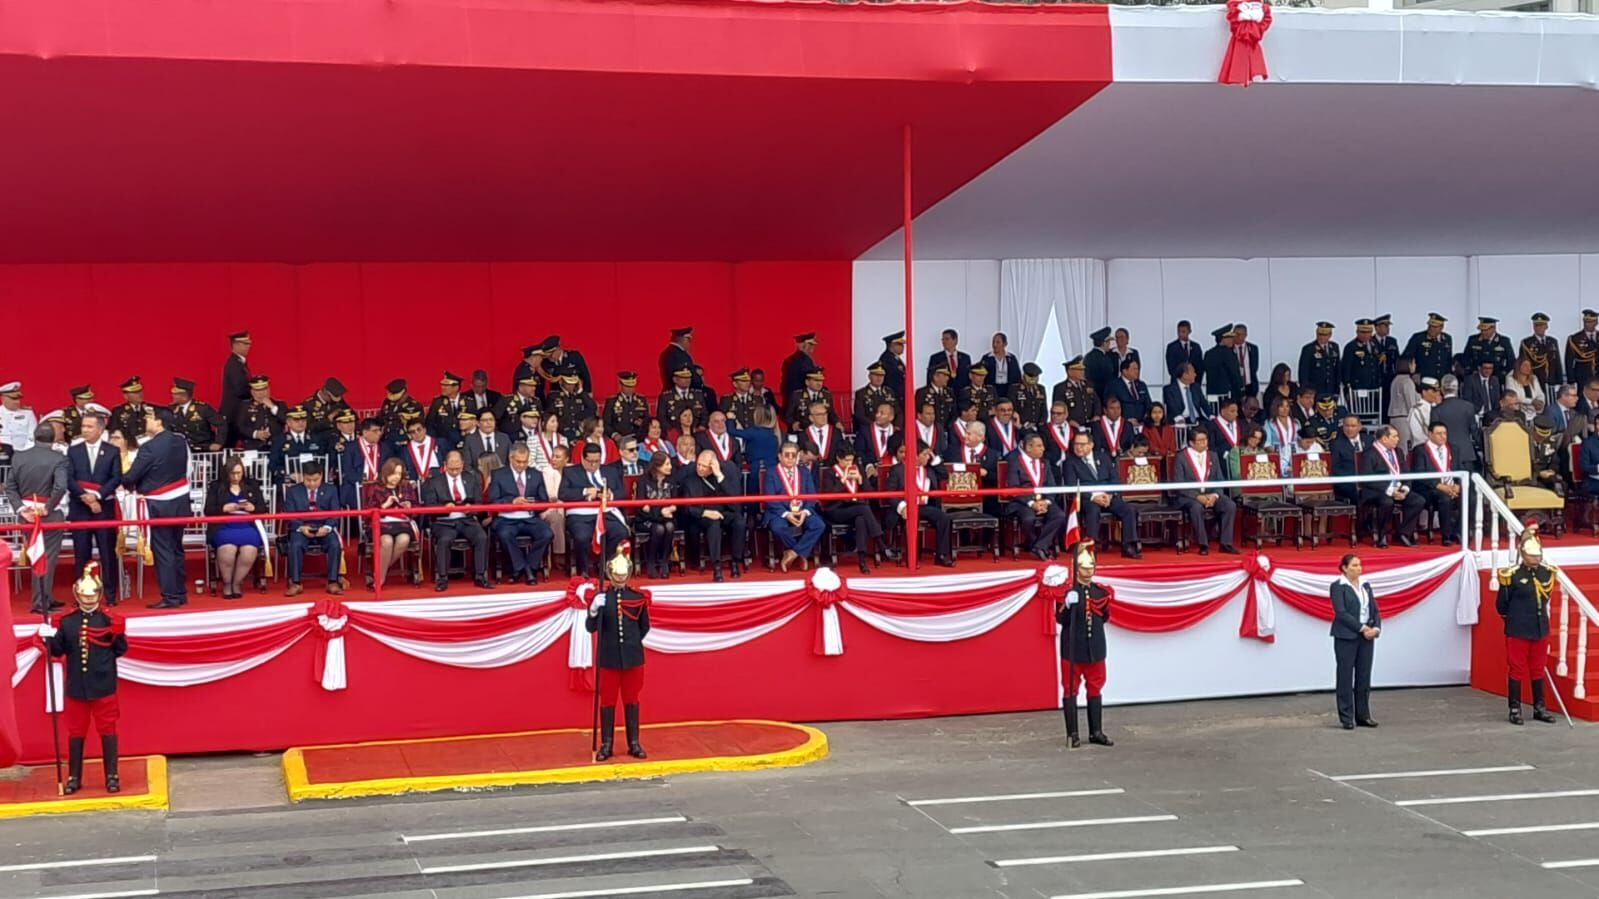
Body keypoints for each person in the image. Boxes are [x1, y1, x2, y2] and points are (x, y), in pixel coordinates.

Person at [39, 563, 127, 794]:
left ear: (99, 594)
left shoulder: (108, 620)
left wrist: (118, 633)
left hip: (103, 684)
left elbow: (120, 649)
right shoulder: (68, 621)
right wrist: (48, 638)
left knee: (107, 730)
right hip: (77, 685)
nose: (88, 600)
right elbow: (58, 651)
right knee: (76, 733)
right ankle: (74, 777)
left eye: (93, 595)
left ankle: (112, 775)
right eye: (84, 595)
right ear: (77, 595)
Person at [586, 546, 651, 761]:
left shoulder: (637, 597)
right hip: (609, 658)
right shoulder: (603, 598)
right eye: (617, 575)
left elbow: (644, 627)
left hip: (632, 658)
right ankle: (606, 744)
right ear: (610, 575)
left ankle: (634, 743)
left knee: (632, 700)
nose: (620, 579)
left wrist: (630, 645)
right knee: (608, 701)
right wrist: (593, 610)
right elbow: (590, 627)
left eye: (623, 575)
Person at [122, 408, 191, 608]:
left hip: (161, 504)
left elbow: (132, 475)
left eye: (149, 418)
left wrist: (121, 479)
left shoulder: (150, 447)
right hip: (180, 502)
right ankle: (180, 592)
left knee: (164, 550)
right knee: (177, 548)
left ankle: (170, 596)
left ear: (159, 422)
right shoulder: (180, 441)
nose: (146, 421)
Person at [1496, 527, 1559, 725]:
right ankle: (1514, 708)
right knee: (1517, 669)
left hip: (1539, 627)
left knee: (1538, 668)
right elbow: (1501, 605)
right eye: (1531, 555)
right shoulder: (1512, 575)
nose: (1536, 559)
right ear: (1523, 555)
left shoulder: (1545, 573)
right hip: (1518, 628)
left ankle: (1539, 707)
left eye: (1537, 555)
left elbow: (1546, 597)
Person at [6, 423, 70, 613]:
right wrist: (48, 507)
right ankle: (40, 602)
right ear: (53, 439)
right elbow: (60, 487)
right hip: (49, 515)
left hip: (26, 514)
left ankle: (45, 597)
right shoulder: (58, 458)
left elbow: (10, 487)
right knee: (46, 559)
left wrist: (20, 509)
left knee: (38, 558)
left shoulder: (19, 457)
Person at [1056, 541, 1113, 749]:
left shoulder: (1100, 593)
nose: (1088, 572)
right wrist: (1067, 605)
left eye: (1091, 568)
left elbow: (1104, 617)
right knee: (1071, 690)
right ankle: (1073, 733)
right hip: (1073, 649)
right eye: (1084, 568)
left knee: (1095, 688)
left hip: (1095, 649)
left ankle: (1095, 731)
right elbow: (1060, 619)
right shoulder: (1067, 593)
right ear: (1076, 569)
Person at [67, 413, 122, 607]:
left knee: (107, 552)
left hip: (103, 509)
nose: (85, 430)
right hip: (80, 508)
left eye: (90, 427)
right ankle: (82, 592)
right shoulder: (73, 451)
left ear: (100, 430)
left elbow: (116, 478)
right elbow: (69, 479)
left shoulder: (112, 451)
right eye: (83, 426)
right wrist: (87, 498)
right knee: (81, 552)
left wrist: (97, 496)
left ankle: (110, 594)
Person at [420, 449, 491, 591]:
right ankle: (442, 578)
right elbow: (429, 504)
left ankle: (480, 575)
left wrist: (471, 507)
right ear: (445, 465)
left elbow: (478, 502)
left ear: (463, 464)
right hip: (444, 521)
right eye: (451, 468)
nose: (454, 471)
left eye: (457, 468)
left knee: (481, 536)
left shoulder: (471, 478)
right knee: (445, 540)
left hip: (467, 519)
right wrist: (444, 507)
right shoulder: (434, 481)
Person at [1063, 431, 1139, 558]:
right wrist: (1093, 497)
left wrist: (1109, 494)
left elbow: (1115, 479)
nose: (1078, 447)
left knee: (1129, 510)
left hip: (1107, 496)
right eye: (1076, 444)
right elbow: (1072, 486)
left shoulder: (1103, 457)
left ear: (1091, 445)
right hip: (1087, 498)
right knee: (1092, 509)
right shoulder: (1070, 462)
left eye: (1082, 444)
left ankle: (1128, 546)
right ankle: (1092, 546)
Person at [560, 442, 630, 577]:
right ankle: (584, 569)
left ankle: (604, 564)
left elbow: (622, 492)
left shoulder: (611, 471)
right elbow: (562, 494)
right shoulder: (570, 471)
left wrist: (611, 495)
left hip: (606, 512)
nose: (593, 465)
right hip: (580, 514)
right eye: (590, 461)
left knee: (620, 532)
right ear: (582, 459)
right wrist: (584, 492)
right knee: (582, 536)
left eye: (596, 461)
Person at [488, 444, 555, 585]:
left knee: (547, 533)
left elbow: (544, 500)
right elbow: (493, 500)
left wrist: (533, 504)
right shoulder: (498, 474)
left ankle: (527, 567)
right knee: (505, 535)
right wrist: (512, 502)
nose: (522, 465)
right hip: (507, 519)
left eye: (525, 461)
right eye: (518, 461)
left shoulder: (536, 474)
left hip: (530, 517)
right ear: (510, 458)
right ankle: (526, 569)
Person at [205, 455, 268, 600]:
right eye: (232, 473)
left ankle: (236, 583)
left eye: (239, 473)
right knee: (228, 550)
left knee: (249, 551)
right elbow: (208, 510)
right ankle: (227, 584)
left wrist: (253, 507)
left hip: (247, 526)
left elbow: (262, 508)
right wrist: (223, 508)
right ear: (226, 473)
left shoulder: (251, 485)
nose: (236, 476)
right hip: (224, 526)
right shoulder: (216, 486)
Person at [1330, 553, 1381, 731]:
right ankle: (1346, 716)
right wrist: (1361, 628)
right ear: (1344, 568)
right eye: (1354, 566)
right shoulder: (1338, 587)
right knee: (1345, 676)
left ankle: (1363, 715)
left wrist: (1375, 628)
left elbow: (1374, 609)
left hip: (1366, 636)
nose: (1358, 569)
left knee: (1363, 676)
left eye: (1359, 565)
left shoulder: (1366, 585)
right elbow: (1341, 613)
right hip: (1346, 636)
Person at [882, 444, 954, 566]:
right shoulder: (898, 469)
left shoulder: (929, 469)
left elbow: (944, 475)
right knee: (911, 518)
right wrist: (903, 506)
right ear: (915, 455)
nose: (928, 457)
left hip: (923, 506)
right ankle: (911, 557)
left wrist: (934, 458)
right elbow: (890, 492)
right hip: (905, 506)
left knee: (943, 518)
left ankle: (941, 555)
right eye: (925, 454)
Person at [1171, 428, 1238, 556]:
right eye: (1200, 440)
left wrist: (1214, 495)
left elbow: (1220, 480)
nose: (1204, 443)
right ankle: (1203, 544)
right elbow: (1179, 483)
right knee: (1196, 508)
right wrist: (1197, 496)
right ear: (1191, 443)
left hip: (1211, 494)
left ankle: (1226, 543)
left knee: (1230, 505)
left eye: (1205, 440)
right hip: (1189, 496)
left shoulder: (1213, 455)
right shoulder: (1181, 457)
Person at [682, 450, 747, 581]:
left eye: (704, 466)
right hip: (703, 515)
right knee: (714, 524)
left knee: (739, 521)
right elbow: (687, 508)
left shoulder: (724, 476)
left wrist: (719, 476)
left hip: (724, 512)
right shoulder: (690, 480)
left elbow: (735, 502)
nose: (700, 468)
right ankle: (717, 566)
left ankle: (735, 561)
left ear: (713, 466)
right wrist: (705, 513)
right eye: (698, 464)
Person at [820, 447, 885, 574]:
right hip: (837, 510)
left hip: (856, 509)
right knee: (863, 509)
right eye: (846, 460)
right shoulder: (830, 472)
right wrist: (843, 480)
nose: (849, 464)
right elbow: (829, 496)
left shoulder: (857, 469)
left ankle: (862, 560)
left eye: (851, 460)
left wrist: (860, 480)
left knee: (861, 519)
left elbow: (870, 493)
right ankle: (880, 541)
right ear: (838, 458)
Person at [283, 462, 343, 596]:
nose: (311, 484)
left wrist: (327, 527)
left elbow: (335, 513)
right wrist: (300, 527)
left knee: (334, 544)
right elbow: (289, 514)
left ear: (321, 476)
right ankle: (296, 583)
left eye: (315, 480)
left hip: (323, 526)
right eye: (308, 480)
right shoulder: (293, 491)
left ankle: (333, 581)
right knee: (295, 545)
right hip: (302, 527)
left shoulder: (331, 490)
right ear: (302, 477)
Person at [1359, 425, 1425, 548]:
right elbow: (1367, 479)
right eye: (1394, 436)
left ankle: (1403, 533)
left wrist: (1405, 489)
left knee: (1418, 500)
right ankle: (1382, 535)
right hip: (1376, 490)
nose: (1398, 439)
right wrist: (1390, 490)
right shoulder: (1369, 454)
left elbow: (1406, 473)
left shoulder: (1398, 452)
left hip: (1398, 488)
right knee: (1387, 502)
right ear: (1384, 439)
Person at [764, 441, 823, 571]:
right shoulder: (771, 473)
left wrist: (805, 511)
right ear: (780, 456)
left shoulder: (804, 472)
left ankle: (793, 553)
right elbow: (770, 499)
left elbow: (812, 495)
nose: (790, 458)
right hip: (780, 512)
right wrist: (787, 514)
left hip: (802, 510)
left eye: (793, 455)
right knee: (778, 528)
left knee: (819, 525)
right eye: (787, 455)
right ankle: (802, 554)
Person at [363, 458, 419, 589]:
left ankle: (378, 571)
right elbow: (367, 513)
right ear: (386, 473)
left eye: (399, 474)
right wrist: (384, 505)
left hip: (402, 523)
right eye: (394, 473)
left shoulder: (406, 487)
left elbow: (416, 509)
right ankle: (380, 579)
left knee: (404, 540)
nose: (396, 477)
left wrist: (409, 507)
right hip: (382, 523)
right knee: (387, 542)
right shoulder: (375, 488)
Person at [1409, 422, 1462, 545]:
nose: (1443, 436)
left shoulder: (1453, 449)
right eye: (1439, 434)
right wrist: (1441, 487)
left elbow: (1460, 469)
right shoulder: (1420, 450)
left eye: (1444, 433)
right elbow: (1419, 474)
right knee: (1445, 498)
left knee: (1470, 496)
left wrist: (1458, 485)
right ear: (1430, 434)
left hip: (1451, 486)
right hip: (1429, 488)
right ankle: (1446, 536)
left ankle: (1458, 532)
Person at [633, 454, 678, 579]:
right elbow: (642, 506)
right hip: (646, 519)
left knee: (669, 526)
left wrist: (668, 509)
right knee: (659, 528)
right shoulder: (643, 481)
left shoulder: (672, 480)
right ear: (657, 466)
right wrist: (660, 511)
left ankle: (664, 561)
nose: (670, 467)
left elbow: (675, 503)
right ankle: (651, 562)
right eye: (667, 464)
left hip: (666, 517)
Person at [270, 405, 326, 485]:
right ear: (288, 422)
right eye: (296, 420)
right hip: (288, 481)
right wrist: (289, 475)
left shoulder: (316, 439)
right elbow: (273, 464)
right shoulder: (279, 440)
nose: (301, 423)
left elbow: (323, 461)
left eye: (303, 420)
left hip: (314, 481)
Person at [168, 377, 225, 451]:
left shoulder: (202, 408)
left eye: (176, 394)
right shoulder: (171, 409)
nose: (173, 396)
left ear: (184, 395)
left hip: (203, 449)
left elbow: (221, 424)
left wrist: (218, 442)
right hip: (182, 450)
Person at [220, 330, 253, 448]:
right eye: (246, 344)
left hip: (237, 413)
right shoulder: (234, 364)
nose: (249, 347)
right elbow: (240, 389)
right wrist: (254, 394)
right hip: (234, 414)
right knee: (228, 447)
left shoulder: (239, 363)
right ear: (236, 344)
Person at [236, 375, 286, 451]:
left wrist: (273, 407)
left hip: (276, 448)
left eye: (264, 390)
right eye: (258, 390)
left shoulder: (280, 405)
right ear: (252, 392)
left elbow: (287, 420)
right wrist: (255, 434)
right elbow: (239, 427)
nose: (261, 393)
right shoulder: (245, 406)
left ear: (269, 390)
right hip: (253, 447)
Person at [1404, 313, 1454, 382]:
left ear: (1442, 327)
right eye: (1430, 326)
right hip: (1423, 379)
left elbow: (1448, 360)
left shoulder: (1447, 339)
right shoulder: (1418, 338)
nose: (1431, 329)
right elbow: (1406, 357)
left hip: (1441, 380)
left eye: (1435, 327)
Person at [602, 370, 650, 442]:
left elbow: (647, 420)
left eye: (632, 386)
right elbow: (605, 423)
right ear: (621, 385)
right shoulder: (612, 401)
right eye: (627, 387)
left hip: (638, 438)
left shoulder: (641, 400)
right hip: (620, 439)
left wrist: (642, 423)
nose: (630, 389)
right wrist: (614, 434)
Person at [1341, 319, 1385, 396]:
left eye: (1368, 332)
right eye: (1363, 332)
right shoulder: (1351, 347)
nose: (1365, 335)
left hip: (1374, 387)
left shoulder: (1375, 345)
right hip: (1358, 388)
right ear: (1357, 332)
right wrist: (1347, 387)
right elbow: (1346, 369)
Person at [658, 366, 709, 431]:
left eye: (688, 377)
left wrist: (701, 427)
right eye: (683, 377)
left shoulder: (698, 395)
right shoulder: (666, 397)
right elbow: (662, 418)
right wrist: (672, 433)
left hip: (696, 433)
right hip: (673, 436)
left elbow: (704, 414)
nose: (687, 380)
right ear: (675, 379)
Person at [798, 400, 845, 470]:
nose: (824, 417)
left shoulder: (836, 433)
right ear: (811, 418)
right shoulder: (803, 435)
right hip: (812, 473)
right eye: (819, 414)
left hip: (832, 473)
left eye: (825, 413)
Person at [1299, 322, 1341, 400]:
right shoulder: (1309, 349)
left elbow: (1337, 369)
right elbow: (1303, 372)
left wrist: (1337, 389)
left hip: (1330, 389)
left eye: (1325, 335)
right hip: (1315, 390)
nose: (1322, 337)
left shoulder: (1334, 347)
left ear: (1330, 335)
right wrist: (1306, 391)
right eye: (1320, 334)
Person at [1052, 356, 1100, 425]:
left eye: (1082, 370)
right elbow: (1058, 408)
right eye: (1079, 370)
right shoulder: (1061, 388)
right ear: (1069, 371)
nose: (1082, 372)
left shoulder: (1088, 385)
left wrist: (1096, 415)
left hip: (1091, 423)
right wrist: (1069, 420)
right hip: (1072, 425)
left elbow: (1096, 401)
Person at [1203, 324, 1244, 403]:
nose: (1233, 340)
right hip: (1227, 394)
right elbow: (1234, 373)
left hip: (1212, 393)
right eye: (1231, 338)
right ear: (1224, 339)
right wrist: (1241, 391)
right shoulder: (1229, 354)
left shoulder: (1208, 354)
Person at [1105, 358, 1152, 425]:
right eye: (1134, 369)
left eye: (1137, 369)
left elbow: (1149, 405)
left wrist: (1146, 419)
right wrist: (1125, 420)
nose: (1137, 371)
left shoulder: (1142, 385)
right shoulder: (1113, 386)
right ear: (1124, 371)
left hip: (1142, 424)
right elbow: (1111, 407)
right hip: (1123, 424)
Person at [1165, 320, 1206, 394]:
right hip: (1177, 385)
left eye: (1183, 332)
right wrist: (1183, 379)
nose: (1180, 334)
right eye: (1179, 332)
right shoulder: (1171, 347)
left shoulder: (1196, 347)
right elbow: (1171, 368)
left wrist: (1197, 383)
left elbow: (1200, 367)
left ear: (1189, 331)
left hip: (1194, 384)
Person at [927, 328, 973, 394]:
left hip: (962, 395)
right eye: (942, 339)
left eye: (947, 339)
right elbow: (930, 378)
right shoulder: (935, 358)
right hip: (943, 395)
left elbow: (969, 378)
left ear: (955, 341)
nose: (944, 342)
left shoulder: (965, 358)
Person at [1520, 312, 1560, 386]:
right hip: (1534, 380)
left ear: (1546, 326)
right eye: (1536, 325)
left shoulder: (1553, 341)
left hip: (1551, 380)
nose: (1539, 328)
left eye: (1541, 325)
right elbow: (1522, 363)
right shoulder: (1526, 343)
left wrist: (1559, 382)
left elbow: (1557, 363)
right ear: (1533, 327)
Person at [780, 332, 820, 404]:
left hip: (790, 401)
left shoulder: (788, 360)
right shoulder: (805, 360)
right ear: (802, 345)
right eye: (810, 344)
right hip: (802, 401)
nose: (812, 347)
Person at [1010, 362, 1049, 432]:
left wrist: (1041, 424)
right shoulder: (1014, 389)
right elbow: (1013, 409)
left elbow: (1044, 410)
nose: (1033, 379)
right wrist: (1021, 425)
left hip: (1038, 428)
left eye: (1035, 376)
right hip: (1021, 427)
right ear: (1024, 375)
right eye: (1031, 376)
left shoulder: (1041, 389)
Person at [109, 376, 151, 441]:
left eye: (140, 391)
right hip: (128, 447)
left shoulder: (150, 409)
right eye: (135, 393)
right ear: (126, 396)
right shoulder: (118, 411)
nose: (139, 394)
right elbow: (113, 432)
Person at [916, 364, 957, 428]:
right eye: (944, 375)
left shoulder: (949, 392)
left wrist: (949, 426)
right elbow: (918, 412)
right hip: (929, 429)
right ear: (935, 377)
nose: (948, 378)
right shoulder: (923, 392)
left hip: (946, 429)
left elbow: (954, 412)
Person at [1386, 357, 1419, 439]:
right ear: (1409, 365)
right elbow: (1411, 404)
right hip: (1404, 418)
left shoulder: (1395, 380)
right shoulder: (1407, 381)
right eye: (1413, 363)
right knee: (1404, 447)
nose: (1415, 365)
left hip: (1394, 418)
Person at [1565, 310, 1599, 387]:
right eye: (1586, 322)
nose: (1587, 324)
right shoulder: (1574, 338)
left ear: (1596, 322)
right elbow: (1569, 361)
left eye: (1590, 322)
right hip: (1582, 377)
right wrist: (1571, 381)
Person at [1232, 322, 1260, 400]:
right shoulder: (1229, 349)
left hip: (1250, 385)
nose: (1236, 336)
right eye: (1235, 334)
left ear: (1245, 335)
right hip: (1236, 387)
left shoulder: (1253, 348)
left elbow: (1255, 367)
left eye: (1239, 334)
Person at [878, 331, 908, 401]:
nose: (902, 347)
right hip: (893, 395)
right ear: (892, 345)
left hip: (899, 395)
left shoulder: (895, 358)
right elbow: (895, 377)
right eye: (899, 344)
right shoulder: (887, 358)